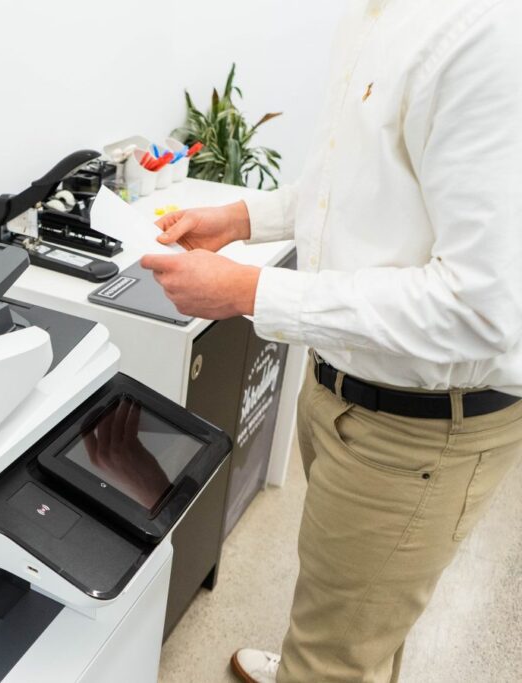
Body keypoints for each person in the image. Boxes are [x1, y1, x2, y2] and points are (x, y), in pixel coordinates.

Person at [139, 1, 522, 681]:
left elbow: (480, 308)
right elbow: (353, 186)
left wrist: (244, 293)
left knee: (334, 660)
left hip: (422, 423)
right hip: (345, 387)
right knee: (355, 611)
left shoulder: (486, 34)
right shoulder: (374, 17)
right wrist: (240, 215)